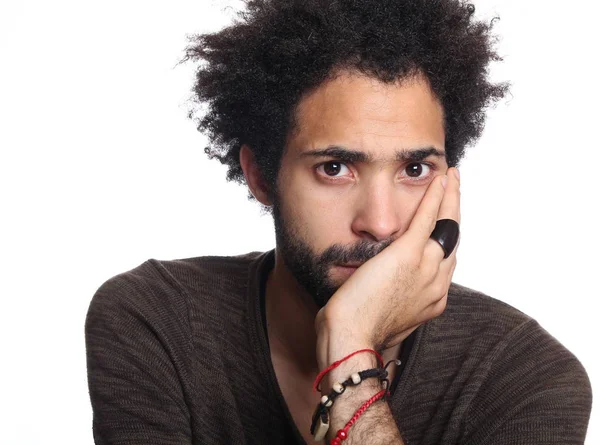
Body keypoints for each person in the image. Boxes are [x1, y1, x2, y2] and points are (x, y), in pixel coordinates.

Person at [85, 0, 592, 444]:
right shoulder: (157, 321)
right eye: (334, 168)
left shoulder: (525, 378)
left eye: (414, 170)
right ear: (261, 175)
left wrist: (350, 349)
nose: (379, 222)